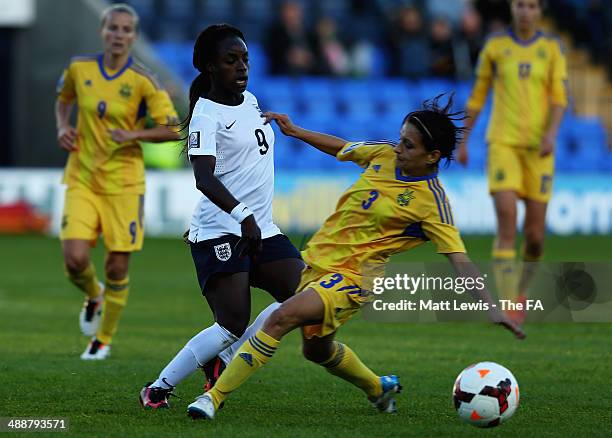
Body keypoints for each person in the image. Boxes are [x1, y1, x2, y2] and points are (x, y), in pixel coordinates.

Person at [184, 94, 526, 420]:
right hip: (317, 262)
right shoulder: (384, 155)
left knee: (280, 318)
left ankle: (212, 398)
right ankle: (379, 389)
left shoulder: (432, 203)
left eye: (408, 145)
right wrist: (296, 131)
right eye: (400, 138)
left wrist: (490, 307)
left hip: (354, 279)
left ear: (432, 156)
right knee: (315, 350)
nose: (399, 147)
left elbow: (460, 259)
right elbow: (343, 148)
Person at [139, 24, 305, 408]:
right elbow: (203, 178)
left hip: (261, 228)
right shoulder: (205, 116)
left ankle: (223, 361)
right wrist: (243, 214)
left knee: (304, 297)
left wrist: (252, 219)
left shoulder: (250, 101)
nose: (242, 67)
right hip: (221, 232)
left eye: (244, 58)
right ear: (210, 67)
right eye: (231, 60)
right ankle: (158, 388)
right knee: (231, 324)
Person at [55, 4, 180, 360]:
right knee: (75, 259)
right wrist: (63, 127)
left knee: (117, 266)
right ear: (103, 31)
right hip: (82, 176)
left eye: (126, 30)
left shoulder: (144, 81)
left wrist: (134, 134)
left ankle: (102, 339)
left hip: (124, 184)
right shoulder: (79, 69)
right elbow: (62, 101)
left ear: (134, 37)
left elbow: (172, 128)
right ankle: (94, 294)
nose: (119, 35)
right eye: (113, 28)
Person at [457, 0, 567, 324]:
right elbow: (477, 97)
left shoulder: (552, 49)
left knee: (534, 237)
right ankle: (508, 303)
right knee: (507, 219)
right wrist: (463, 140)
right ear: (511, 8)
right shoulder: (495, 46)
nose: (525, 11)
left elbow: (560, 99)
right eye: (520, 4)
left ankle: (520, 290)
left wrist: (551, 135)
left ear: (540, 11)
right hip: (502, 143)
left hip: (538, 149)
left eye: (531, 6)